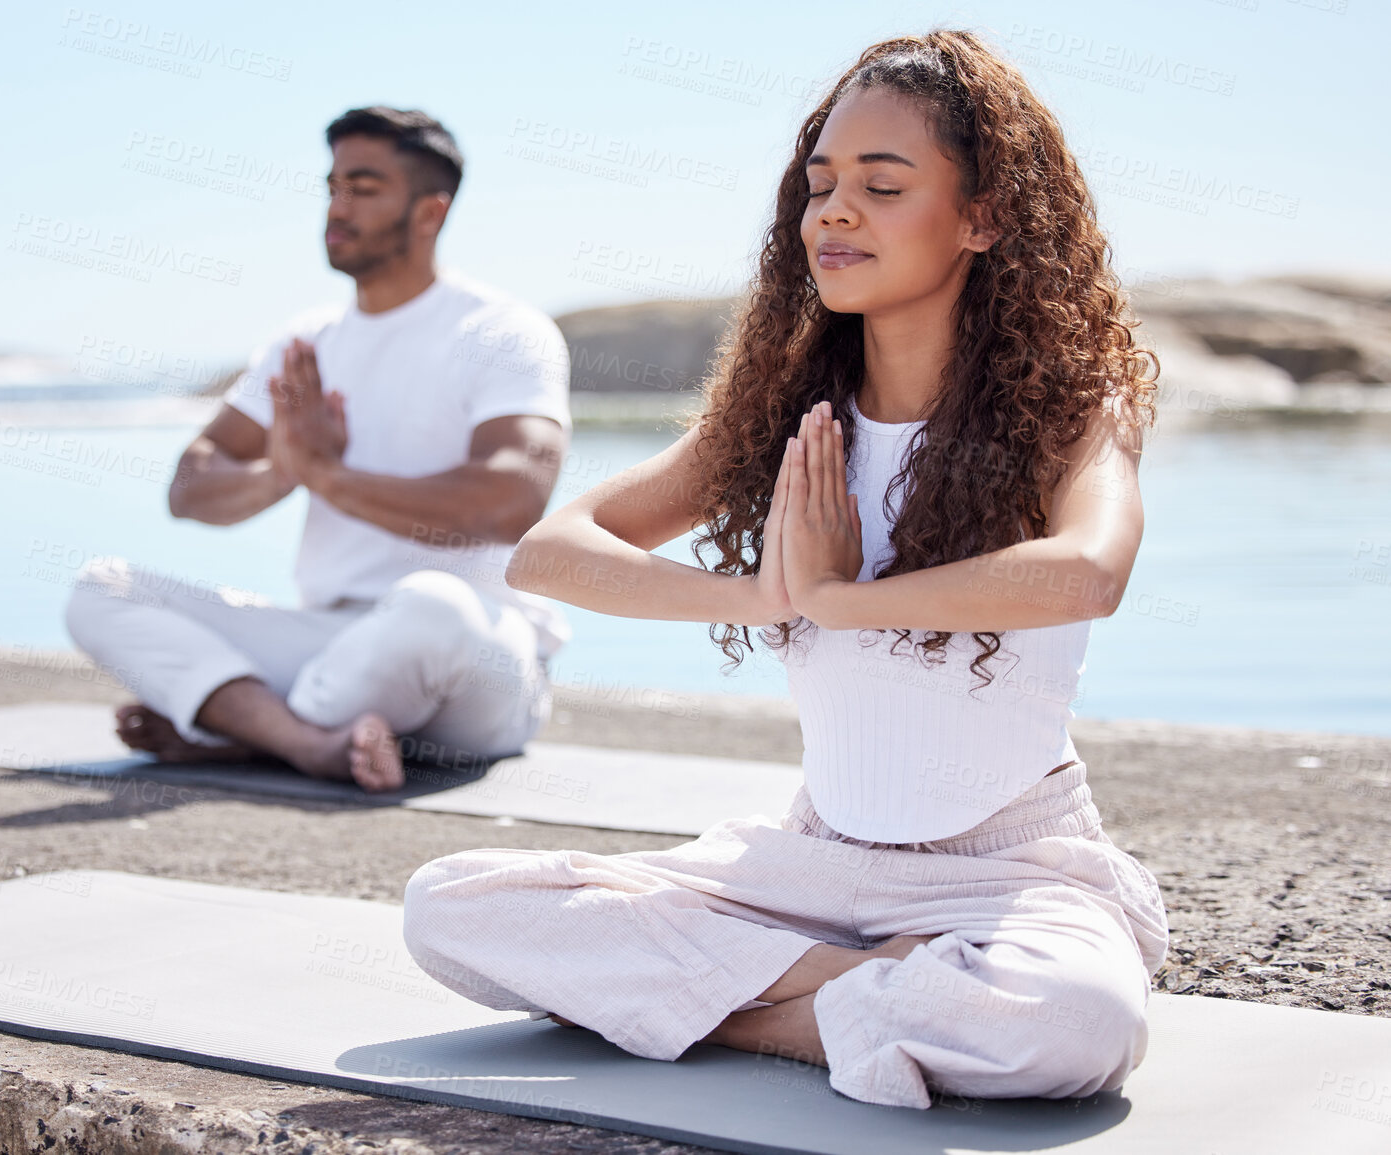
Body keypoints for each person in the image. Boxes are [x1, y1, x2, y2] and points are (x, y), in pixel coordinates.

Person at [402, 30, 1170, 1110]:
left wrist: (844, 603)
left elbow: (1088, 571)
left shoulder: (1075, 411)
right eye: (819, 186)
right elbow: (550, 550)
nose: (834, 213)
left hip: (1009, 870)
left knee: (1076, 1024)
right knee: (452, 906)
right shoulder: (786, 417)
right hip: (810, 865)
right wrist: (764, 595)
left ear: (986, 216)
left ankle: (738, 1012)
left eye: (882, 185)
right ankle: (863, 1000)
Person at [66, 106, 573, 793]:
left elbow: (511, 499)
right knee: (104, 588)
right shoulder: (305, 341)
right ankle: (309, 742)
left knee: (432, 602)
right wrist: (283, 471)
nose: (337, 207)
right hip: (330, 641)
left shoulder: (504, 332)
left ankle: (242, 735)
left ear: (430, 212)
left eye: (363, 188)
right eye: (332, 186)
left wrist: (328, 476)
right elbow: (190, 487)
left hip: (476, 658)